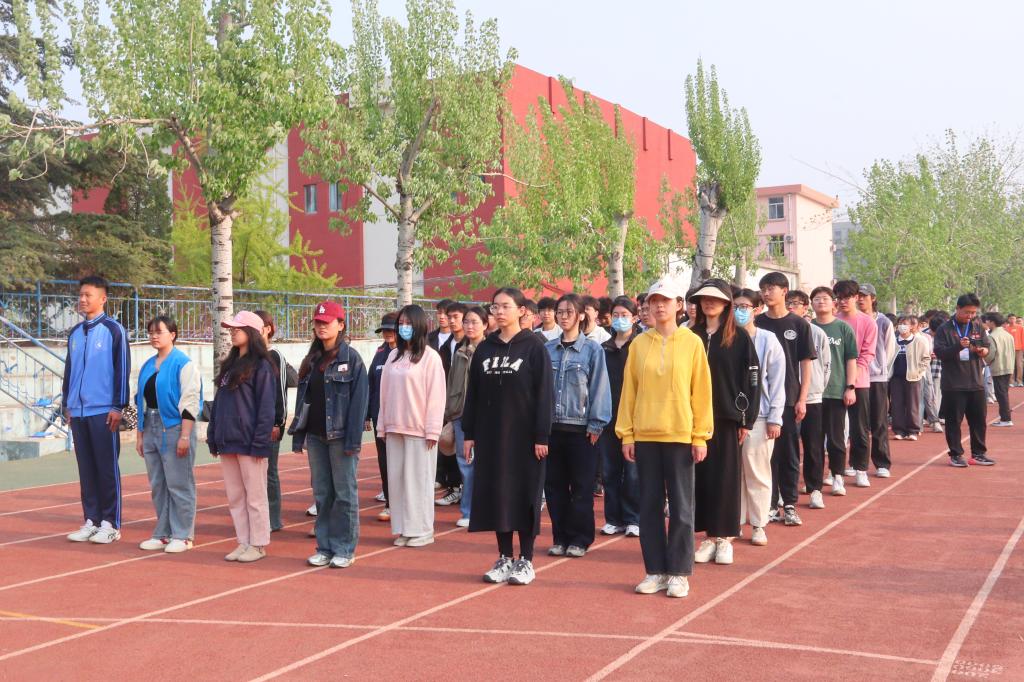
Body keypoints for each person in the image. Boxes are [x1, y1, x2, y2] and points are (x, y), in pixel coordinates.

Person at [617, 276, 713, 599]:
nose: (659, 306)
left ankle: (679, 572)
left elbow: (701, 392)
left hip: (680, 436)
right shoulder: (639, 344)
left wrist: (700, 435)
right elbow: (629, 392)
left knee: (682, 508)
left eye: (665, 301)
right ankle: (655, 570)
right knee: (649, 506)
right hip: (645, 436)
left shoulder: (692, 343)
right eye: (654, 301)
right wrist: (626, 434)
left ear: (678, 305)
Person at [463, 288, 553, 586]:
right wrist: (469, 433)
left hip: (525, 439)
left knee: (524, 495)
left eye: (505, 306)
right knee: (497, 494)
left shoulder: (534, 347)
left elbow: (545, 395)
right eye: (495, 307)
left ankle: (526, 559)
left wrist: (542, 435)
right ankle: (504, 556)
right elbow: (473, 394)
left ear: (521, 310)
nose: (499, 312)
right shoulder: (485, 349)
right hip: (491, 436)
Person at [288, 302, 369, 568]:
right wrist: (299, 434)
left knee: (344, 495)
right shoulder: (311, 360)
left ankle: (344, 548)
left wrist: (353, 441)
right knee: (322, 495)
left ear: (341, 325)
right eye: (318, 322)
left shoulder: (352, 359)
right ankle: (324, 547)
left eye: (327, 322)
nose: (321, 326)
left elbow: (359, 403)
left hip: (341, 436)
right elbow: (304, 400)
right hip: (315, 436)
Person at [690, 280, 760, 565]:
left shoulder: (739, 337)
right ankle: (708, 537)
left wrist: (746, 419)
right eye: (704, 298)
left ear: (726, 303)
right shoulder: (690, 335)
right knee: (701, 478)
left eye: (716, 298)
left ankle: (725, 538)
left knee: (726, 478)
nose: (709, 303)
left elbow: (752, 379)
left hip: (727, 418)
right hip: (694, 420)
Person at [544, 293, 612, 558]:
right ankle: (560, 537)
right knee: (555, 487)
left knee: (581, 488)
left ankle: (580, 539)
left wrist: (596, 424)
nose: (563, 316)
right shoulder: (548, 349)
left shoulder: (593, 350)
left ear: (582, 315)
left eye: (569, 312)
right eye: (560, 311)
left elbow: (600, 387)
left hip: (581, 430)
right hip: (552, 428)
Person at [64, 275, 131, 544]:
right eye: (80, 294)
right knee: (86, 469)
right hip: (78, 412)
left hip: (104, 411)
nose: (82, 299)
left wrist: (118, 405)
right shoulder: (74, 333)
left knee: (106, 469)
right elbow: (69, 372)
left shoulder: (114, 330)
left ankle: (110, 523)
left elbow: (122, 370)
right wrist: (67, 404)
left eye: (88, 295)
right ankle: (91, 520)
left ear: (103, 299)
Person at [208, 310, 277, 563]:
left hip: (250, 443)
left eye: (237, 328)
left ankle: (258, 544)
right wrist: (213, 434)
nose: (232, 332)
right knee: (236, 496)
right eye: (231, 329)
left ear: (252, 332)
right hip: (228, 440)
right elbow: (219, 403)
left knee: (255, 497)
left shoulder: (262, 366)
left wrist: (260, 443)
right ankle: (244, 541)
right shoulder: (230, 365)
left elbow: (266, 409)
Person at [378, 305, 447, 547]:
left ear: (419, 326)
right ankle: (404, 528)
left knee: (418, 482)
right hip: (394, 427)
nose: (404, 327)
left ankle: (422, 530)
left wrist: (433, 430)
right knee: (398, 482)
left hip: (419, 430)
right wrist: (382, 425)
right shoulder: (393, 356)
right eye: (401, 323)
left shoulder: (430, 357)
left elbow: (436, 396)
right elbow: (384, 393)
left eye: (408, 323)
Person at [135, 316, 202, 553]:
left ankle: (183, 535)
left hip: (174, 427)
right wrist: (140, 435)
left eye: (159, 332)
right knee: (158, 484)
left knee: (179, 483)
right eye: (150, 332)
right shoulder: (147, 365)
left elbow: (191, 401)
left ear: (172, 335)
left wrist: (185, 435)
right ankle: (162, 533)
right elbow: (140, 400)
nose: (154, 336)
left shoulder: (183, 364)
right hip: (150, 426)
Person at [756, 272, 816, 526]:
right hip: (762, 399)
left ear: (784, 291)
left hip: (790, 398)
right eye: (763, 289)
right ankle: (770, 504)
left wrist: (802, 398)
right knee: (766, 454)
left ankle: (789, 504)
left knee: (789, 453)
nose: (766, 293)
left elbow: (805, 364)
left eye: (771, 288)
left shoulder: (799, 324)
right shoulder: (757, 323)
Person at [734, 289, 784, 546]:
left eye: (744, 306)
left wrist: (775, 417)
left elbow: (777, 382)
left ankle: (758, 524)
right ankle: (734, 522)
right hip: (729, 417)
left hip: (760, 416)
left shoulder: (767, 340)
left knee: (757, 472)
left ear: (757, 309)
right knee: (733, 474)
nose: (739, 311)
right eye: (735, 306)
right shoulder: (725, 338)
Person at [933, 294, 994, 467]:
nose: (970, 316)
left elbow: (987, 347)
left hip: (976, 382)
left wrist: (982, 351)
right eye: (967, 312)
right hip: (953, 384)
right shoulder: (944, 329)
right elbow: (940, 353)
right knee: (954, 422)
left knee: (979, 421)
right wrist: (959, 345)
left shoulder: (977, 326)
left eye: (973, 313)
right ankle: (956, 454)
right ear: (958, 308)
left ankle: (978, 454)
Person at [810, 287, 858, 497]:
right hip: (812, 393)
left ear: (833, 303)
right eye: (816, 299)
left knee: (836, 438)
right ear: (811, 304)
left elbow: (851, 360)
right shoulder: (807, 327)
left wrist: (850, 387)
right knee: (813, 441)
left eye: (825, 298)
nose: (821, 302)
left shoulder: (843, 328)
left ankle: (838, 476)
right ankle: (814, 481)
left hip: (836, 391)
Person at [599, 297, 641, 538]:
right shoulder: (603, 348)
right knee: (609, 471)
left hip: (635, 419)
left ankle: (634, 518)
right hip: (608, 417)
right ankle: (613, 518)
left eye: (624, 315)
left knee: (633, 473)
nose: (619, 319)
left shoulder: (640, 345)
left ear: (635, 317)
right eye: (615, 315)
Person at [786, 290, 830, 509]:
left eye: (796, 303)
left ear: (805, 307)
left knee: (813, 445)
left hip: (812, 398)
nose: (791, 307)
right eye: (788, 303)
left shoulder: (816, 333)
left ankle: (815, 489)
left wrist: (816, 388)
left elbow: (826, 364)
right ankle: (787, 491)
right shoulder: (778, 329)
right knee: (788, 447)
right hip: (786, 397)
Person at [444, 305, 488, 527]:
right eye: (467, 322)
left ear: (485, 325)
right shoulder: (459, 350)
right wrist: (449, 411)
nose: (469, 326)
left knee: (486, 462)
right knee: (466, 463)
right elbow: (452, 382)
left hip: (485, 416)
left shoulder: (490, 350)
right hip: (461, 415)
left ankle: (487, 508)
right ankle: (468, 511)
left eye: (475, 322)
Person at [254, 310, 296, 533]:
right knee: (252, 473)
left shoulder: (275, 356)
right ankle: (257, 516)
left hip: (269, 424)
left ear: (268, 329)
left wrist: (278, 423)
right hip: (248, 425)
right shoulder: (246, 355)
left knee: (269, 472)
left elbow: (280, 392)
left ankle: (273, 519)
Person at [834, 280, 877, 488]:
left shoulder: (868, 322)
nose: (843, 301)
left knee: (859, 428)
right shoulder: (833, 320)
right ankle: (836, 471)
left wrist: (851, 379)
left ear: (856, 297)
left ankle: (861, 469)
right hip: (834, 383)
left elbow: (867, 354)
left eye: (847, 297)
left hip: (859, 383)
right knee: (835, 429)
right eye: (839, 298)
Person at [857, 284, 894, 478]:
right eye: (858, 296)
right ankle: (856, 462)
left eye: (864, 296)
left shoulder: (884, 322)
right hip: (856, 377)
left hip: (877, 377)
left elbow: (889, 349)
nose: (860, 299)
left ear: (873, 298)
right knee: (858, 422)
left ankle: (882, 463)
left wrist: (879, 368)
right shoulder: (851, 319)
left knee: (879, 421)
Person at [367, 312, 398, 522]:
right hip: (381, 419)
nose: (387, 333)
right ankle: (390, 503)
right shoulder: (380, 353)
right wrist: (367, 415)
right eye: (384, 330)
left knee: (401, 464)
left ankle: (405, 504)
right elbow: (370, 384)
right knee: (385, 463)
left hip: (401, 420)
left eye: (391, 329)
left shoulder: (410, 353)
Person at [435, 302, 467, 505]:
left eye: (456, 317)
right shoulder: (445, 346)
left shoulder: (471, 345)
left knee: (465, 453)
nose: (451, 321)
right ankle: (454, 488)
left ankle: (466, 493)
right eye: (450, 317)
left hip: (464, 405)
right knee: (448, 446)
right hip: (446, 403)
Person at [982, 313, 1015, 427]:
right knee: (1004, 393)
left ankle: (1006, 419)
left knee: (1001, 394)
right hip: (1009, 366)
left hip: (998, 367)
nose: (986, 322)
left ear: (992, 322)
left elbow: (991, 354)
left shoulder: (992, 336)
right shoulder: (1008, 335)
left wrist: (985, 359)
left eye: (988, 320)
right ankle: (1005, 417)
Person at [924, 313, 949, 432]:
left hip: (939, 370)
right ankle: (931, 418)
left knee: (936, 395)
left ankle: (935, 418)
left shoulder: (945, 336)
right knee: (928, 395)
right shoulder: (925, 336)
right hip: (926, 370)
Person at [1007, 313, 1024, 387]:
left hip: (1019, 348)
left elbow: (1023, 337)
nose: (1012, 320)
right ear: (1008, 319)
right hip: (1009, 349)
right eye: (1011, 318)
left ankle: (1019, 381)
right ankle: (1011, 381)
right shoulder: (1006, 328)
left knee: (1019, 365)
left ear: (1015, 319)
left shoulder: (1020, 327)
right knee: (1011, 365)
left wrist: (1023, 348)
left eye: (1013, 318)